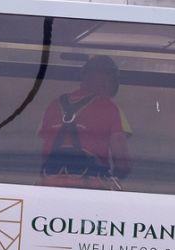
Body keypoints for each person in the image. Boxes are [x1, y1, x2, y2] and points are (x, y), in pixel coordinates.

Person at [38, 55, 131, 187]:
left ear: (84, 77)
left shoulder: (54, 105)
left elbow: (45, 152)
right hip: (89, 185)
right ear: (112, 81)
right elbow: (122, 163)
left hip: (50, 183)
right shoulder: (110, 108)